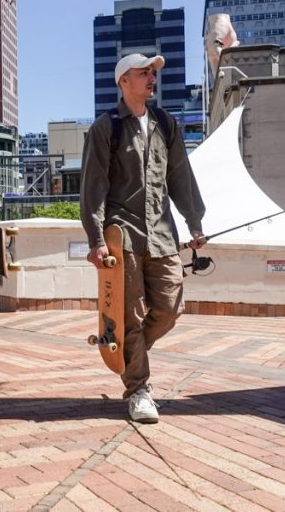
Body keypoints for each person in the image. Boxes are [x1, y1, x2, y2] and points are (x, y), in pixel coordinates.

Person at [80, 53, 206, 424]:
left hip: (163, 233)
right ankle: (138, 389)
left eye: (153, 73)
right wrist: (96, 239)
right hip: (123, 235)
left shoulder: (166, 124)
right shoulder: (107, 128)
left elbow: (181, 176)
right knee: (130, 315)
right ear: (124, 81)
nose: (152, 78)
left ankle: (128, 353)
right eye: (143, 73)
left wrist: (194, 221)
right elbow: (93, 186)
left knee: (170, 308)